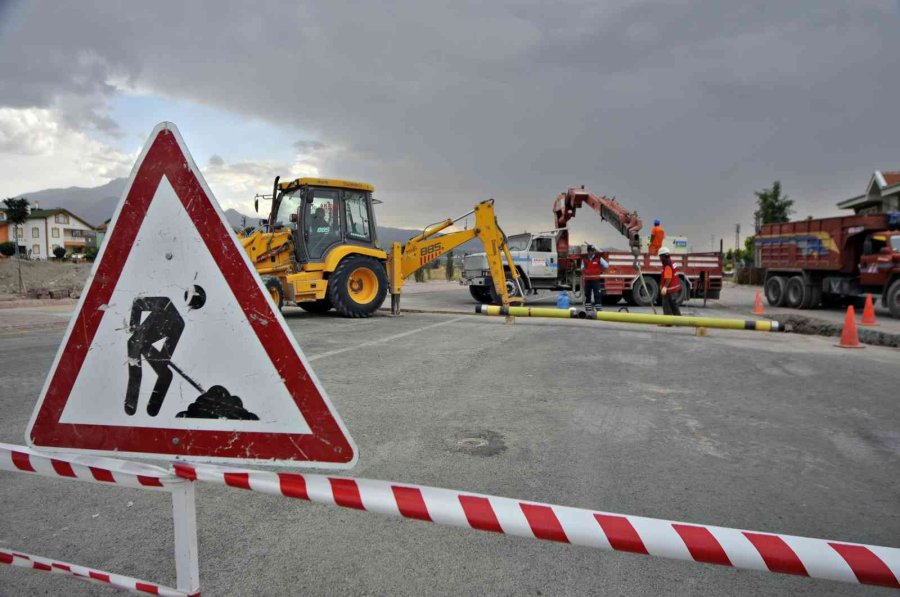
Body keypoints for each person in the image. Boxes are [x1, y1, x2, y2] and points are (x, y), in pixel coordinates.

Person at [581, 244, 609, 311]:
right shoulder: (584, 259)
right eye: (591, 251)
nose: (593, 252)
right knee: (587, 295)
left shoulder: (598, 258)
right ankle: (588, 310)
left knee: (597, 295)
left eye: (594, 251)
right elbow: (582, 268)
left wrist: (601, 269)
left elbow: (606, 265)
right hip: (587, 281)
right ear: (588, 251)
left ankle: (598, 310)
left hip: (596, 281)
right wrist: (585, 269)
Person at [658, 247, 682, 316]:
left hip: (670, 289)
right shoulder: (671, 262)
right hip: (674, 288)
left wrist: (664, 287)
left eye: (660, 257)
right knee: (673, 305)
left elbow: (668, 277)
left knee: (666, 305)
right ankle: (679, 320)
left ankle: (668, 322)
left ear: (663, 256)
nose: (660, 259)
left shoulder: (667, 265)